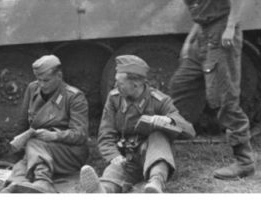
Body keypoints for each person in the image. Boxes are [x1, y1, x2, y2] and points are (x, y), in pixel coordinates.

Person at [158, 0, 255, 180]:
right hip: (204, 36)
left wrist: (231, 26)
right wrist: (190, 40)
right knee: (181, 85)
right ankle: (167, 143)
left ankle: (244, 162)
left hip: (220, 37)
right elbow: (203, 12)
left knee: (224, 98)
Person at [80, 55, 195, 193]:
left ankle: (156, 182)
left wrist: (168, 120)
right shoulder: (114, 99)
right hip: (126, 158)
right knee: (112, 175)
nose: (115, 85)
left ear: (135, 84)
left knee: (158, 136)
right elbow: (106, 134)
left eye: (119, 83)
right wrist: (114, 156)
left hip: (152, 155)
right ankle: (102, 190)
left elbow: (190, 131)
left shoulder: (159, 101)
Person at [2, 54, 89, 193]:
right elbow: (22, 122)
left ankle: (43, 181)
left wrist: (54, 136)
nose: (41, 85)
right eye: (39, 80)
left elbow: (80, 135)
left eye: (46, 80)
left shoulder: (74, 96)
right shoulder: (32, 88)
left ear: (59, 76)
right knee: (21, 166)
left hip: (69, 153)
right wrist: (17, 143)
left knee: (34, 145)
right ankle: (17, 185)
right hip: (39, 151)